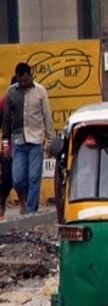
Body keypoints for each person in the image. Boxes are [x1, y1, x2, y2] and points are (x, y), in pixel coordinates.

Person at [1, 62, 54, 215]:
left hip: (36, 140)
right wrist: (5, 142)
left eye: (26, 80)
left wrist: (50, 140)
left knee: (34, 178)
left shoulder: (40, 92)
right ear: (16, 78)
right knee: (17, 178)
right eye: (20, 81)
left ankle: (31, 211)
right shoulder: (11, 92)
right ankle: (25, 202)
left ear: (31, 76)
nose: (23, 84)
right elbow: (6, 119)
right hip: (18, 141)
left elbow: (47, 116)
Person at [0, 76, 12, 220]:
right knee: (7, 178)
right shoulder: (4, 103)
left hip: (20, 144)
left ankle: (25, 206)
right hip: (7, 146)